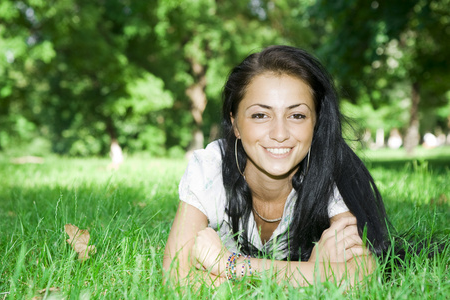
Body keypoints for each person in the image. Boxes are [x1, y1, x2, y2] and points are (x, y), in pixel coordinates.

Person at [163, 45, 389, 287]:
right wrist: (313, 274)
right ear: (235, 124)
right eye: (260, 115)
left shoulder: (331, 170)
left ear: (315, 122)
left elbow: (363, 276)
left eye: (297, 115)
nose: (279, 133)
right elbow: (177, 275)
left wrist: (228, 265)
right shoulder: (210, 167)